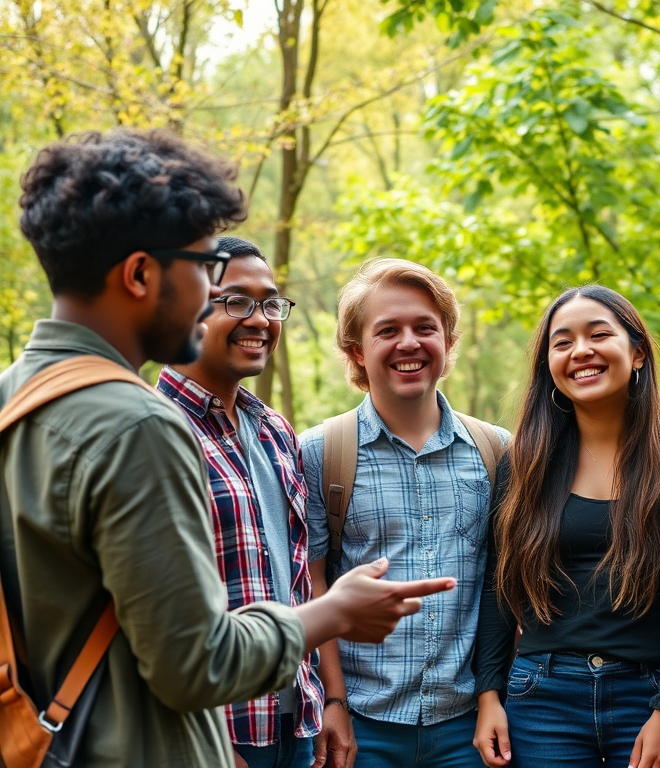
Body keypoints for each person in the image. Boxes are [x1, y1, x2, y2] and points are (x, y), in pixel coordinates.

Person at [0, 128, 455, 768]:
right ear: (140, 274)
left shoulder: (12, 397)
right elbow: (194, 664)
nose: (210, 294)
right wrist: (334, 613)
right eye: (202, 270)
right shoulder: (140, 425)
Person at [473, 285, 660, 768]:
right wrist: (489, 695)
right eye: (562, 342)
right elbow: (499, 585)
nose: (581, 351)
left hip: (650, 694)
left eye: (599, 335)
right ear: (548, 365)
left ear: (637, 352)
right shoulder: (526, 461)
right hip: (541, 699)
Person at [300, 258, 509, 768]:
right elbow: (314, 584)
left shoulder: (497, 451)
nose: (409, 343)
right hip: (362, 727)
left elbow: (502, 587)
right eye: (387, 330)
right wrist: (334, 703)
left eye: (425, 328)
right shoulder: (321, 453)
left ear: (449, 340)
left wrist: (491, 698)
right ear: (357, 350)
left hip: (466, 727)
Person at [158, 236, 348, 768]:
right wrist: (206, 738)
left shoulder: (274, 430)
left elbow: (297, 575)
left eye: (270, 303)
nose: (260, 319)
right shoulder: (152, 430)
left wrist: (327, 699)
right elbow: (139, 613)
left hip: (293, 722)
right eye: (236, 301)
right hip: (213, 732)